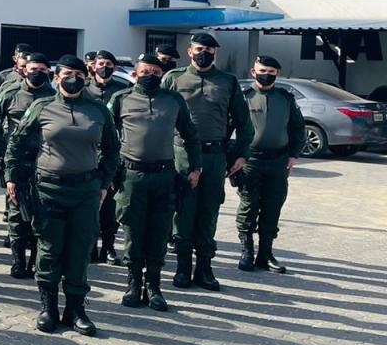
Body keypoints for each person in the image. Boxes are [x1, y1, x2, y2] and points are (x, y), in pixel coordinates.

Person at [5, 56, 119, 337]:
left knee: (80, 250)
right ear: (57, 77)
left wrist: (104, 183)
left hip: (86, 191)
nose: (74, 78)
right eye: (68, 73)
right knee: (49, 248)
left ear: (87, 77)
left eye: (80, 74)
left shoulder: (98, 111)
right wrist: (12, 177)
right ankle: (48, 307)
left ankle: (76, 310)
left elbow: (112, 150)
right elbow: (17, 142)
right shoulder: (41, 106)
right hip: (48, 190)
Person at [108, 54, 201, 312]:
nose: (151, 76)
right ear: (135, 74)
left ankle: (155, 287)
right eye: (145, 72)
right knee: (133, 231)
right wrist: (109, 172)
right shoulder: (121, 99)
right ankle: (133, 284)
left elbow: (190, 134)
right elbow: (104, 135)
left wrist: (195, 167)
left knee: (159, 232)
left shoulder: (173, 100)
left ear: (162, 75)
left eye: (156, 72)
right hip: (131, 177)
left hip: (164, 176)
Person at [162, 32, 253, 291]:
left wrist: (241, 154)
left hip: (215, 155)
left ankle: (204, 268)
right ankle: (182, 268)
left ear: (217, 53)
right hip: (182, 154)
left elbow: (244, 122)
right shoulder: (174, 78)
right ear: (190, 51)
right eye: (200, 48)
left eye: (210, 50)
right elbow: (159, 114)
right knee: (183, 211)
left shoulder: (228, 81)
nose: (205, 53)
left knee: (208, 211)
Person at [236, 56, 303, 275]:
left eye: (272, 72)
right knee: (249, 206)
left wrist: (293, 155)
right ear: (253, 72)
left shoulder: (285, 98)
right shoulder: (244, 97)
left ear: (277, 74)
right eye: (263, 70)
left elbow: (297, 128)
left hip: (278, 162)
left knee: (273, 207)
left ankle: (265, 254)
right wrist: (234, 158)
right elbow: (229, 127)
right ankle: (246, 252)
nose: (267, 74)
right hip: (251, 160)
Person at [0, 53, 55, 278]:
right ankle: (18, 261)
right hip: (17, 160)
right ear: (24, 70)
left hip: (44, 161)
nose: (37, 73)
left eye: (42, 69)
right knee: (16, 212)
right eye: (33, 68)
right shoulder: (10, 94)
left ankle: (35, 260)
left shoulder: (53, 97)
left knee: (41, 213)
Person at [86, 49, 131, 265]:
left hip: (114, 155)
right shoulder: (84, 91)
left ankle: (110, 247)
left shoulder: (123, 91)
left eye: (109, 64)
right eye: (101, 63)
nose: (105, 67)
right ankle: (90, 246)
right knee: (90, 204)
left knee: (110, 205)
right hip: (88, 154)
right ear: (93, 66)